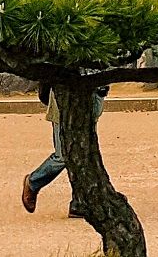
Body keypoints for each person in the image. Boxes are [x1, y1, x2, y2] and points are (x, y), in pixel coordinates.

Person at [22, 82, 107, 216]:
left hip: (92, 96)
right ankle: (34, 181)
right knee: (63, 155)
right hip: (65, 99)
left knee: (84, 154)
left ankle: (79, 202)